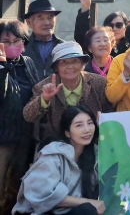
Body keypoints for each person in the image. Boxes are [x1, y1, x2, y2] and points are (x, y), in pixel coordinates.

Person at [13, 105, 105, 215]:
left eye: (90, 123)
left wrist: (106, 127)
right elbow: (46, 195)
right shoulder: (53, 154)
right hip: (41, 212)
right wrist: (88, 202)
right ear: (67, 132)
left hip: (67, 212)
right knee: (87, 209)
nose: (87, 130)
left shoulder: (94, 153)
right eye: (79, 125)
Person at [23, 42, 112, 140]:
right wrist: (45, 98)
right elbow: (28, 116)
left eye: (75, 61)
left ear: (82, 64)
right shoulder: (45, 87)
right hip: (58, 141)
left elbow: (110, 113)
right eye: (64, 62)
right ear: (56, 67)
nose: (70, 67)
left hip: (94, 140)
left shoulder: (98, 82)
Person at [0, 21, 41, 212]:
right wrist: (2, 67)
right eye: (6, 41)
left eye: (17, 40)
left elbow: (36, 91)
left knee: (18, 183)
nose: (12, 45)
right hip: (3, 137)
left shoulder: (27, 63)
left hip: (25, 135)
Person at [23, 0, 64, 79]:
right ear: (29, 23)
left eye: (50, 18)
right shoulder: (23, 47)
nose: (47, 23)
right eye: (40, 18)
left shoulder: (63, 47)